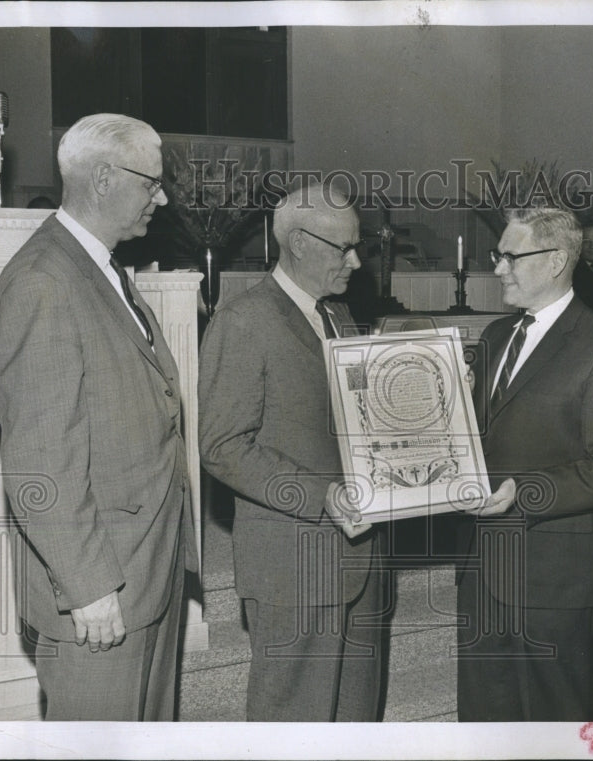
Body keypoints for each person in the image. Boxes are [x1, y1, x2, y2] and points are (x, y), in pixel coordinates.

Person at [0, 113, 197, 721]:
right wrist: (88, 588)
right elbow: (39, 461)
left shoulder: (98, 267)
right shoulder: (43, 282)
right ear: (105, 179)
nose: (160, 198)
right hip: (100, 592)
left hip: (145, 570)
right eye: (151, 183)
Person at [197, 183, 383, 721]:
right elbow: (222, 445)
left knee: (355, 720)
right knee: (294, 725)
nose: (355, 260)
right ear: (299, 243)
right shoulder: (244, 321)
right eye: (343, 248)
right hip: (293, 563)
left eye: (357, 246)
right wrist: (322, 496)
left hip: (361, 555)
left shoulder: (338, 315)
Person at [456, 206, 593, 721]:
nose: (497, 269)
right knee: (482, 713)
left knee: (552, 720)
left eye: (510, 257)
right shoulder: (495, 336)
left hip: (556, 575)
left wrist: (526, 490)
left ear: (558, 259)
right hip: (483, 564)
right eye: (498, 256)